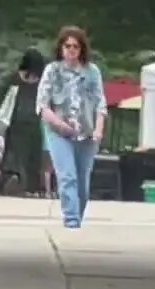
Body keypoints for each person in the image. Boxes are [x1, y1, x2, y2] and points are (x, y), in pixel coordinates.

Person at [36, 26, 107, 229]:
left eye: (76, 46)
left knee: (83, 183)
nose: (71, 50)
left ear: (82, 49)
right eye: (67, 46)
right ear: (61, 47)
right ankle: (71, 220)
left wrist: (98, 130)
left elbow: (100, 103)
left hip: (86, 133)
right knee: (68, 176)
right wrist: (60, 125)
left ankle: (78, 215)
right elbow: (42, 105)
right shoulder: (52, 71)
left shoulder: (92, 72)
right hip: (59, 132)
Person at [0, 49, 47, 196]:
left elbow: (8, 104)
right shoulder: (43, 86)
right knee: (32, 158)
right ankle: (30, 187)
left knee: (14, 156)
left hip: (16, 126)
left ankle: (14, 179)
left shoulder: (16, 82)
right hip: (34, 126)